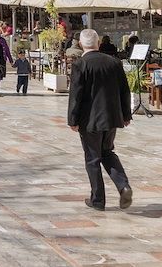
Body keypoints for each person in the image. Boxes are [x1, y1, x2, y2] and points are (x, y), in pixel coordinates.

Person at [67, 28, 133, 212]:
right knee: (107, 152)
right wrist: (126, 115)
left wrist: (72, 119)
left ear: (81, 44)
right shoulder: (114, 62)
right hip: (112, 117)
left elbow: (76, 95)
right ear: (97, 43)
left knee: (93, 158)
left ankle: (98, 199)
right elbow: (124, 90)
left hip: (90, 120)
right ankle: (123, 186)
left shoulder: (81, 64)